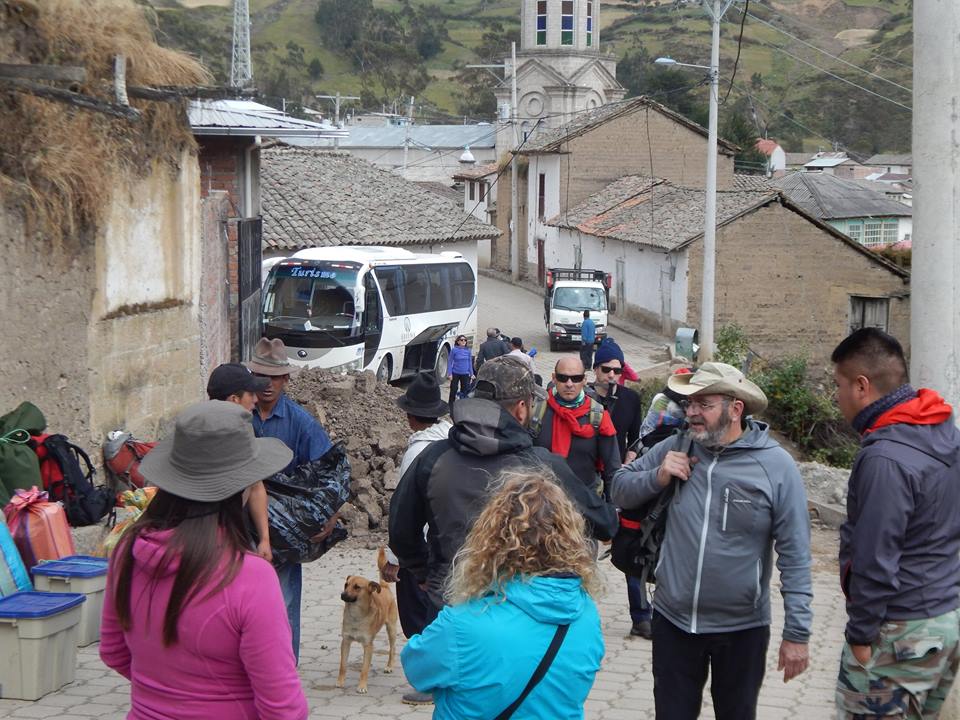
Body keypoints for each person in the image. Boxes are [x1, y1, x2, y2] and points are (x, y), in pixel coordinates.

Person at [611, 362, 813, 720]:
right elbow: (619, 488)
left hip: (741, 629)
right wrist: (658, 476)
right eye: (689, 403)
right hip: (672, 622)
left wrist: (797, 633)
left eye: (704, 404)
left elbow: (795, 554)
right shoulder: (677, 446)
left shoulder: (776, 467)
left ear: (735, 409)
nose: (692, 412)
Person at [100, 400, 308, 720]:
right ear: (240, 486)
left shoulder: (128, 549)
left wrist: (169, 694)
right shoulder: (250, 576)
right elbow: (284, 708)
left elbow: (113, 651)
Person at [389, 355, 618, 619]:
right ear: (521, 408)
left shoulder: (432, 458)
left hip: (448, 608)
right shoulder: (543, 466)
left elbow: (400, 531)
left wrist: (423, 572)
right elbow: (605, 523)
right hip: (520, 613)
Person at [401, 468, 604, 719]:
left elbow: (416, 670)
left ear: (492, 539)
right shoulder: (586, 616)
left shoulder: (463, 623)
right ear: (570, 538)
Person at [831, 328, 960, 719]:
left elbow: (875, 556)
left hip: (900, 629)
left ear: (861, 386)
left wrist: (861, 635)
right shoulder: (942, 432)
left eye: (838, 385)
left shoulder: (885, 458)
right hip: (943, 618)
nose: (836, 396)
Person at [246, 336, 333, 662]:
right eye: (261, 377)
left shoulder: (301, 423)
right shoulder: (240, 416)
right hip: (239, 526)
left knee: (283, 603)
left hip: (284, 532)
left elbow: (329, 471)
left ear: (285, 379)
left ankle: (285, 670)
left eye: (275, 377)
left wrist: (329, 516)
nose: (268, 385)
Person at [381, 372, 453, 706]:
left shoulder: (417, 453)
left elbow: (405, 513)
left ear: (410, 416)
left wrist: (395, 560)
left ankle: (429, 682)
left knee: (419, 620)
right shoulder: (451, 443)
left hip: (421, 552)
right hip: (450, 545)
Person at [585, 340, 649, 639]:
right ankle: (580, 615)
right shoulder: (583, 398)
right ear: (595, 369)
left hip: (619, 480)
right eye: (606, 369)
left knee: (631, 547)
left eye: (617, 370)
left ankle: (641, 615)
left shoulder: (630, 399)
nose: (612, 375)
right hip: (587, 481)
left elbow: (636, 437)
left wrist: (628, 464)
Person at [207, 363, 273, 562]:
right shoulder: (202, 436)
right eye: (250, 394)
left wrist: (264, 539)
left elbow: (255, 485)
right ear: (234, 399)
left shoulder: (244, 430)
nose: (256, 399)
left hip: (238, 533)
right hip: (207, 539)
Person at [532, 356, 620, 497]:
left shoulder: (599, 417)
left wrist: (612, 506)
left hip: (586, 503)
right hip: (542, 502)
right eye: (563, 378)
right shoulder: (535, 411)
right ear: (554, 378)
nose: (569, 384)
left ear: (584, 380)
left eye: (576, 378)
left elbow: (612, 469)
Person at [446, 334, 473, 406]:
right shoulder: (454, 350)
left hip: (465, 374)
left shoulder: (468, 350)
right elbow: (450, 362)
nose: (464, 341)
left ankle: (462, 406)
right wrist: (449, 373)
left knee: (464, 391)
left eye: (465, 340)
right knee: (453, 390)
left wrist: (472, 373)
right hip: (455, 373)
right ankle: (450, 406)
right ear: (458, 342)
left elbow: (470, 362)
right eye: (462, 340)